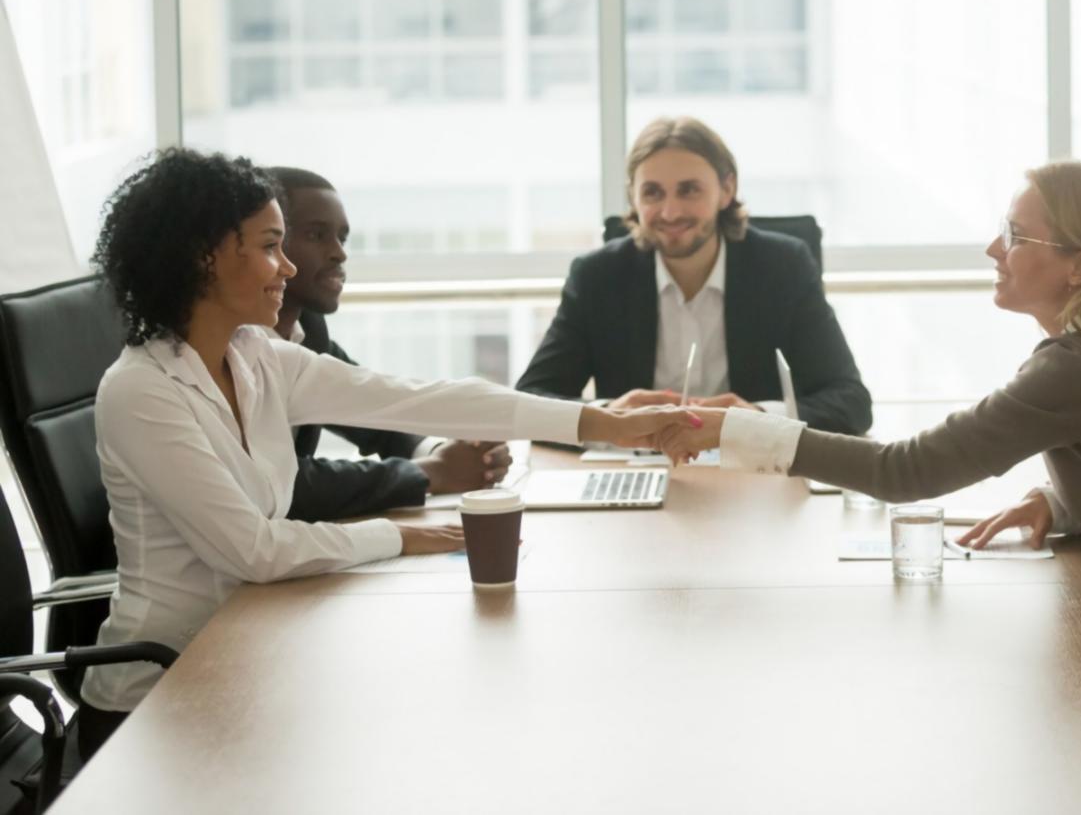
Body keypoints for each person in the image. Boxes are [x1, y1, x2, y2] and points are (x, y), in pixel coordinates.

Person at [79, 149, 696, 757]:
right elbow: (256, 553)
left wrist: (610, 425)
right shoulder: (141, 391)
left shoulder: (256, 358)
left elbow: (419, 401)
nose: (287, 267)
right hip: (156, 702)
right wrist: (400, 537)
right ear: (203, 257)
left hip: (254, 656)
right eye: (270, 246)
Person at [658, 160, 1081, 749]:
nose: (994, 251)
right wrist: (1058, 500)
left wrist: (733, 430)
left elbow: (904, 471)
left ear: (1080, 267)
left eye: (1016, 236)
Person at [516, 115, 872, 436]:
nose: (670, 212)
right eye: (652, 192)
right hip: (641, 469)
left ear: (726, 190)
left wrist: (759, 417)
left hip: (750, 471)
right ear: (633, 198)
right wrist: (609, 418)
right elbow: (530, 401)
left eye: (689, 190)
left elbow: (851, 402)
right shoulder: (597, 277)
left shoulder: (784, 266)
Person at [266, 166, 511, 523]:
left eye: (343, 238)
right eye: (317, 234)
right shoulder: (225, 346)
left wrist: (446, 452)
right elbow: (284, 483)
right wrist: (431, 473)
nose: (339, 253)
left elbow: (372, 412)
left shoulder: (308, 329)